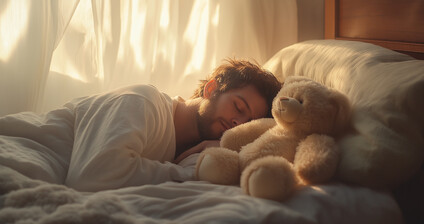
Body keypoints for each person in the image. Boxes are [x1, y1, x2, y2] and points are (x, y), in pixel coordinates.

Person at [0, 59, 281, 191]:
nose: (238, 122)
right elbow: (93, 176)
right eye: (239, 107)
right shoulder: (144, 102)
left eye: (248, 122)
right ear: (210, 89)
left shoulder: (187, 150)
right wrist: (187, 173)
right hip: (14, 149)